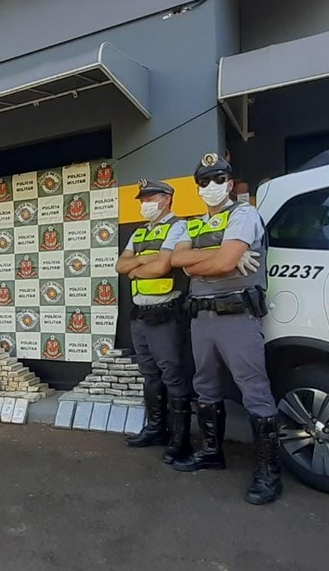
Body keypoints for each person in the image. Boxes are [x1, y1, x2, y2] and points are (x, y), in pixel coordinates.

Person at [169, 152, 281, 506]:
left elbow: (225, 261)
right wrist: (217, 258)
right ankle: (212, 453)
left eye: (218, 180)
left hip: (237, 317)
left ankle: (268, 472)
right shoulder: (193, 224)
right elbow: (176, 260)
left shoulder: (244, 214)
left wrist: (214, 261)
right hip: (202, 318)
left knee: (254, 390)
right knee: (205, 386)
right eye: (204, 182)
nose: (211, 187)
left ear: (230, 184)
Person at [115, 179, 193, 465]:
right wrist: (139, 265)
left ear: (166, 199)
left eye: (150, 198)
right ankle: (155, 429)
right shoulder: (139, 232)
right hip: (141, 315)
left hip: (165, 313)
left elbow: (163, 266)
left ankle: (180, 440)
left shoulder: (178, 228)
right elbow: (120, 265)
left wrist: (137, 266)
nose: (145, 203)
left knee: (172, 374)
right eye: (142, 199)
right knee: (150, 375)